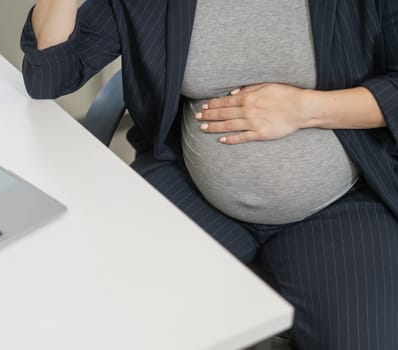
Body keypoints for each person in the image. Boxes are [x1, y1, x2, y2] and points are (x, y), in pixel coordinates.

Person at [20, 0, 398, 348]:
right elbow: (50, 76)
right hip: (192, 188)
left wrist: (306, 109)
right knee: (110, 322)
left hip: (341, 201)